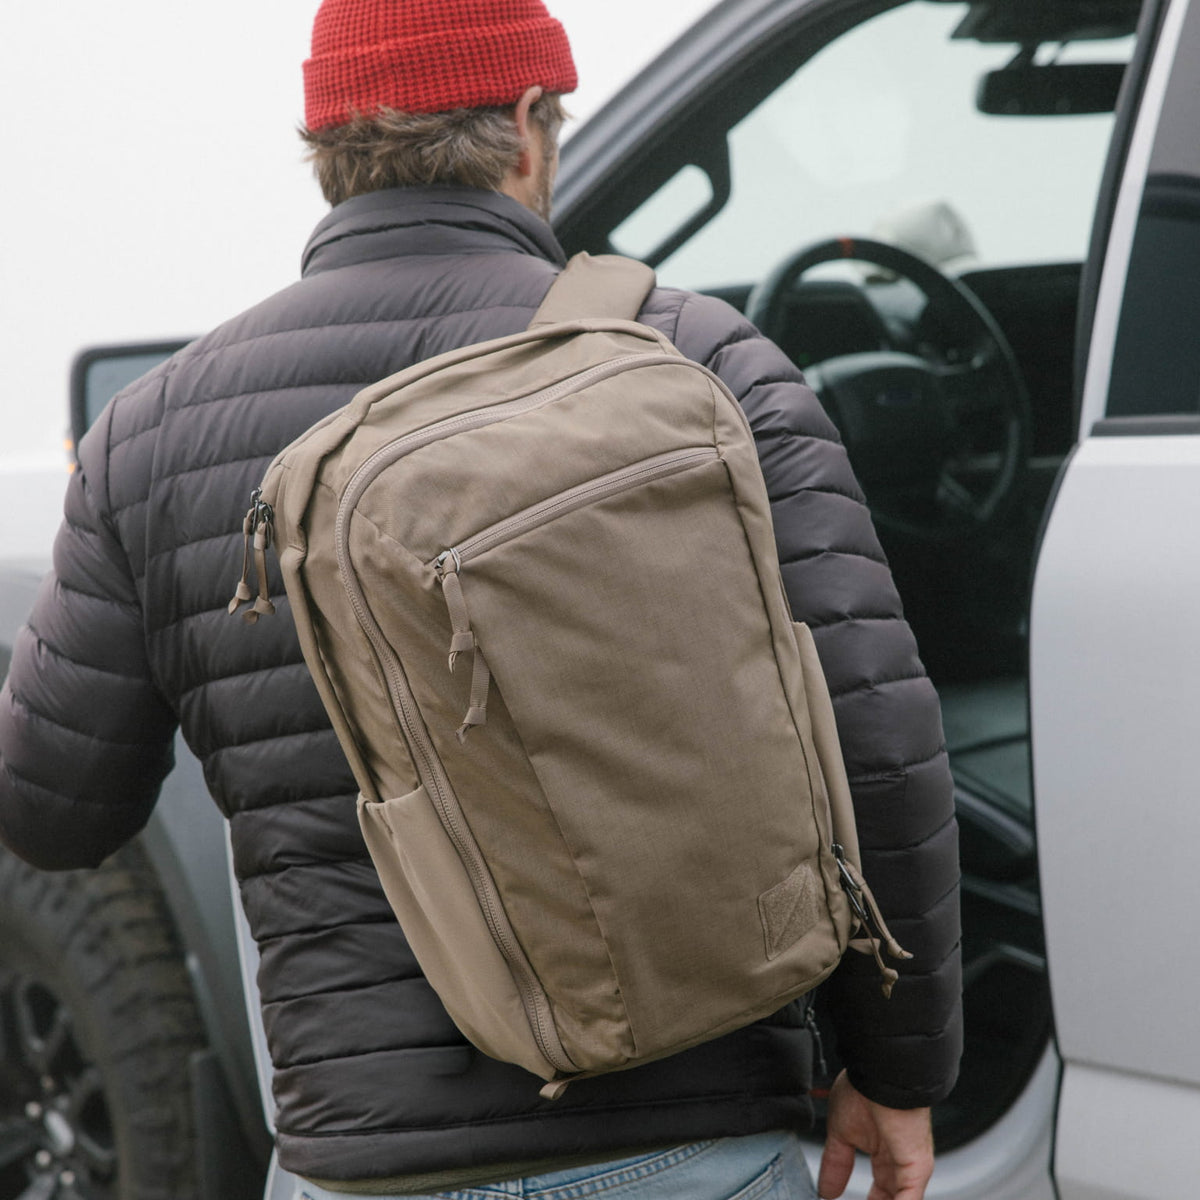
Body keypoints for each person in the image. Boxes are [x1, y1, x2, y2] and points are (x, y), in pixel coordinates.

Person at [0, 2, 962, 1198]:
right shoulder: (701, 361)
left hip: (361, 1163)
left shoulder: (148, 435)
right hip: (689, 1140)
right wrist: (899, 1065)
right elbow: (877, 739)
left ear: (326, 144)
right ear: (525, 126)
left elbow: (52, 813)